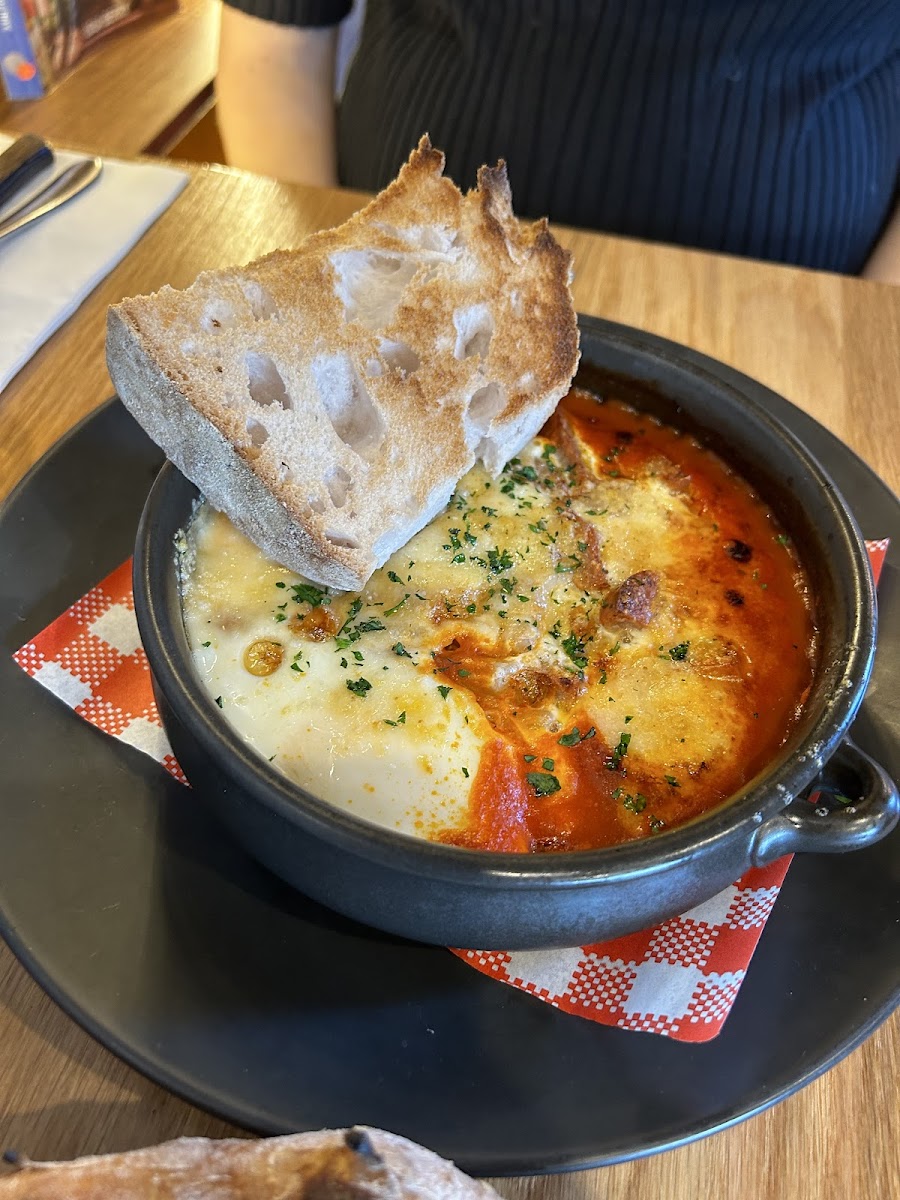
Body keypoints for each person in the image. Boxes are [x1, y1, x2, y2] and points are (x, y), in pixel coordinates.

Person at [215, 0, 900, 282]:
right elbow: (271, 45)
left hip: (803, 304)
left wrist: (874, 326)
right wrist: (329, 280)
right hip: (399, 265)